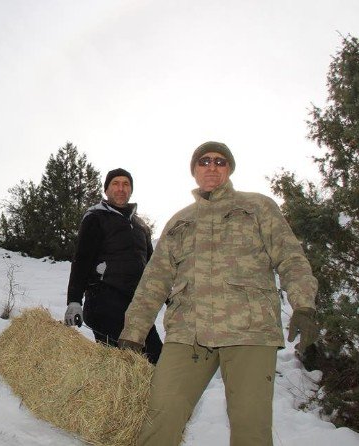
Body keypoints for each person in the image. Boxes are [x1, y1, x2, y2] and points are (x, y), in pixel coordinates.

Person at [118, 142, 319, 446]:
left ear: (229, 169)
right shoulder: (179, 222)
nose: (212, 166)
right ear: (195, 170)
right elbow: (154, 281)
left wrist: (303, 304)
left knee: (251, 429)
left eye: (220, 161)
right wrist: (133, 331)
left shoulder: (257, 207)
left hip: (249, 332)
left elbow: (290, 258)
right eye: (204, 161)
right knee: (160, 416)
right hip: (189, 333)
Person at [64, 168, 162, 364]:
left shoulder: (141, 226)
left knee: (156, 358)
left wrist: (172, 297)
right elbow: (82, 260)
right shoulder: (96, 217)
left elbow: (154, 268)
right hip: (105, 300)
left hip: (136, 305)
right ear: (106, 190)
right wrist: (74, 301)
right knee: (119, 364)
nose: (121, 188)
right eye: (115, 184)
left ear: (131, 190)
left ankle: (155, 395)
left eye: (126, 184)